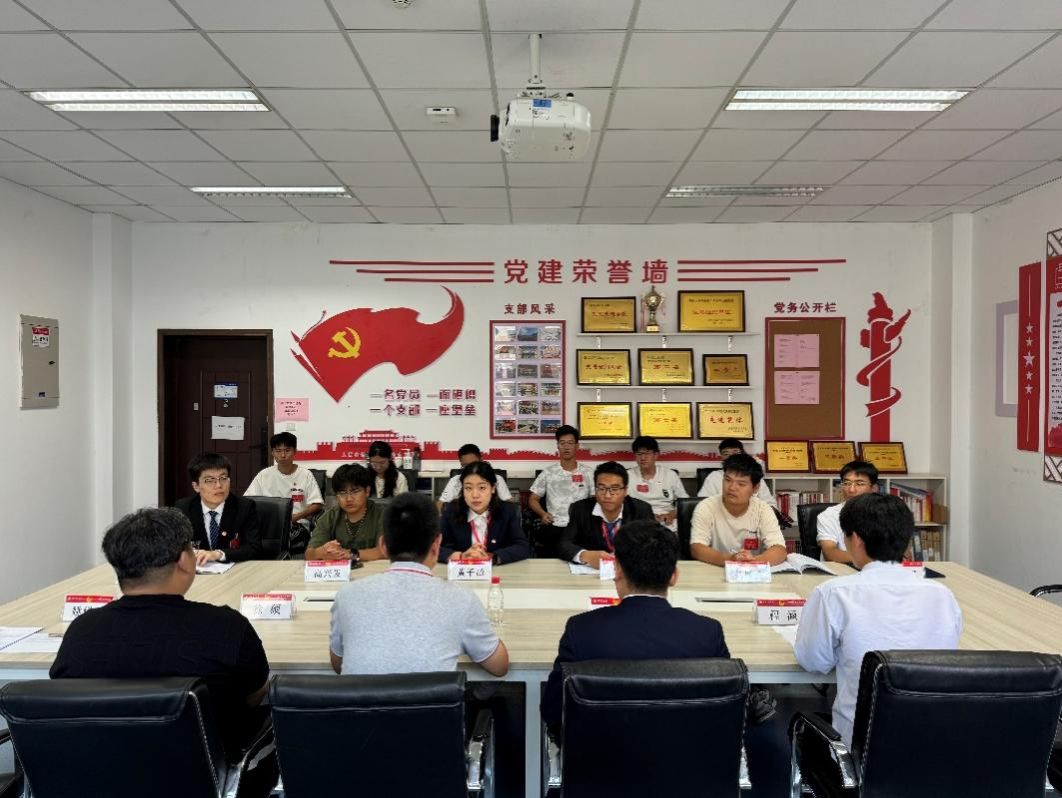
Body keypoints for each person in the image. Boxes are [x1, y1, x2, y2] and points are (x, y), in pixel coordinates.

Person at [50, 508, 272, 772]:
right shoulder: (226, 626)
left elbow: (65, 703)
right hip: (202, 777)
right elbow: (254, 694)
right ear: (185, 561)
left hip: (98, 775)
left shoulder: (81, 631)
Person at [795, 492, 963, 747]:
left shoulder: (834, 593)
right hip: (934, 742)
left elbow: (813, 662)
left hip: (860, 747)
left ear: (856, 540)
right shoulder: (943, 595)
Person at [541, 520, 728, 729]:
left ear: (617, 570)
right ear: (674, 577)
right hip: (688, 747)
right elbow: (727, 709)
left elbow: (553, 711)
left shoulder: (581, 629)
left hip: (602, 748)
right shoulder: (708, 632)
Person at [329, 492, 509, 676]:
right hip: (435, 696)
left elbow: (338, 664)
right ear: (436, 544)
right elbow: (499, 666)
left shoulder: (347, 595)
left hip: (364, 696)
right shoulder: (462, 599)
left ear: (383, 545)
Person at [689, 454, 788, 566]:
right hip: (716, 569)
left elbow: (779, 550)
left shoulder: (763, 509)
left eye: (741, 484)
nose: (732, 488)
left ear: (755, 488)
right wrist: (731, 560)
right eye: (727, 480)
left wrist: (753, 562)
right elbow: (697, 548)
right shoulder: (706, 507)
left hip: (752, 571)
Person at [559, 461, 655, 568]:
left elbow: (654, 545)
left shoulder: (641, 510)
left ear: (625, 491)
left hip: (630, 571)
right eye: (602, 488)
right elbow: (564, 544)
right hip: (593, 572)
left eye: (614, 489)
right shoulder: (581, 509)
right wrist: (585, 555)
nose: (607, 495)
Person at [175, 452, 263, 564]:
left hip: (235, 570)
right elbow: (175, 546)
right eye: (209, 480)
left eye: (223, 478)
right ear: (196, 486)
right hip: (198, 570)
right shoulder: (183, 508)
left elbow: (254, 548)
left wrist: (218, 554)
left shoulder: (244, 507)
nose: (218, 485)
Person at [440, 461, 529, 565]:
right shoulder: (451, 511)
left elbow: (522, 547)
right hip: (461, 571)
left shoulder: (506, 511)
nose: (475, 495)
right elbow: (431, 546)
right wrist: (460, 556)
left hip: (497, 572)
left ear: (493, 488)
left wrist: (493, 557)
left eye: (482, 488)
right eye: (468, 488)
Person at [528, 425, 595, 556]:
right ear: (558, 446)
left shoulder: (588, 473)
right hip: (555, 526)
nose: (566, 447)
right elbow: (533, 499)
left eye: (570, 443)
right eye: (562, 443)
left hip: (580, 528)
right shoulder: (548, 473)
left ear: (577, 446)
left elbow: (594, 500)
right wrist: (543, 514)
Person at [244, 431, 323, 538]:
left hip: (297, 524)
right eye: (278, 451)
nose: (283, 455)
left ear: (295, 451)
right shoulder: (264, 475)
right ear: (272, 452)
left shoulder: (305, 475)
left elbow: (317, 504)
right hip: (269, 524)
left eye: (287, 450)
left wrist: (296, 517)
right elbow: (249, 501)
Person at [305, 464, 386, 562]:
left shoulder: (382, 515)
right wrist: (322, 552)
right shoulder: (330, 517)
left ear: (367, 491)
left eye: (355, 491)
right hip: (339, 570)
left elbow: (384, 551)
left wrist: (349, 554)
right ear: (336, 496)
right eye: (342, 493)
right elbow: (309, 554)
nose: (349, 499)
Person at [816, 460, 879, 564]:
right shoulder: (829, 515)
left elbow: (900, 551)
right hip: (842, 570)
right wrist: (874, 559)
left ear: (873, 488)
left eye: (859, 484)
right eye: (847, 483)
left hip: (880, 571)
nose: (851, 490)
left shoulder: (885, 513)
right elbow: (830, 553)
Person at [626, 435, 687, 531]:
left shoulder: (670, 474)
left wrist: (672, 514)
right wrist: (646, 515)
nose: (643, 458)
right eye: (639, 454)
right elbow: (623, 505)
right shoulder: (627, 475)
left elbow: (685, 503)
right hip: (638, 520)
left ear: (656, 455)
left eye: (647, 453)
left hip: (667, 520)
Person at [697, 438, 776, 507]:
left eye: (735, 453)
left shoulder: (754, 475)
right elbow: (702, 504)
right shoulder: (714, 477)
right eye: (726, 454)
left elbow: (770, 504)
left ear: (742, 454)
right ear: (721, 457)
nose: (731, 456)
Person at [436, 443, 512, 512]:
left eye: (474, 464)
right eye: (466, 466)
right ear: (461, 464)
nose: (470, 468)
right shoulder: (455, 480)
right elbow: (440, 504)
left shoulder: (497, 479)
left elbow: (508, 504)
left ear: (481, 460)